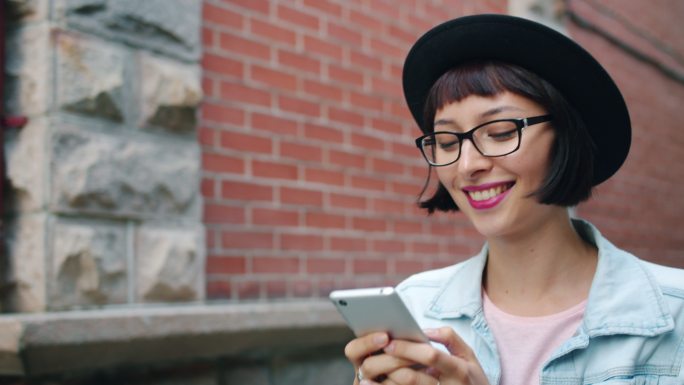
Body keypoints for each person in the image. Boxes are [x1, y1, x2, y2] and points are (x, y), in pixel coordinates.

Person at [344, 14, 684, 385]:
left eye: (501, 132)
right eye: (447, 142)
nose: (467, 164)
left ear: (565, 136)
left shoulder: (675, 313)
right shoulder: (415, 308)